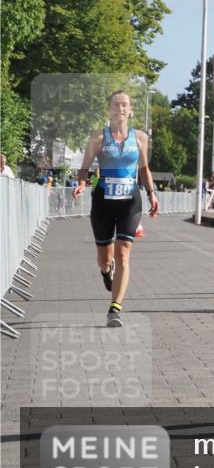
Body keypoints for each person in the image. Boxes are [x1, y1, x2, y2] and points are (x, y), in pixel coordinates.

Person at [72, 90, 159, 327]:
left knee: (123, 254)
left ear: (130, 110)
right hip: (103, 203)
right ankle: (105, 271)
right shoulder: (98, 137)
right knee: (105, 258)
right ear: (108, 109)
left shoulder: (140, 137)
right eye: (116, 105)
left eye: (125, 105)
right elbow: (85, 167)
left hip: (130, 201)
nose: (121, 109)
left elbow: (144, 169)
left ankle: (115, 308)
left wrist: (152, 194)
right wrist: (81, 184)